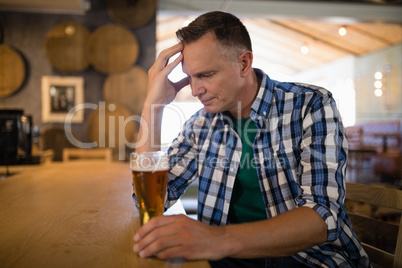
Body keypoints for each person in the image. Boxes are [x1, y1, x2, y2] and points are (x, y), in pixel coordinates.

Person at [133, 11, 371, 268]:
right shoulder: (201, 124)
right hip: (226, 257)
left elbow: (323, 217)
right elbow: (153, 199)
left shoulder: (310, 105)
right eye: (190, 76)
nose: (194, 90)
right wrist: (154, 107)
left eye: (205, 75)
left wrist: (214, 240)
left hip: (308, 259)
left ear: (244, 64)